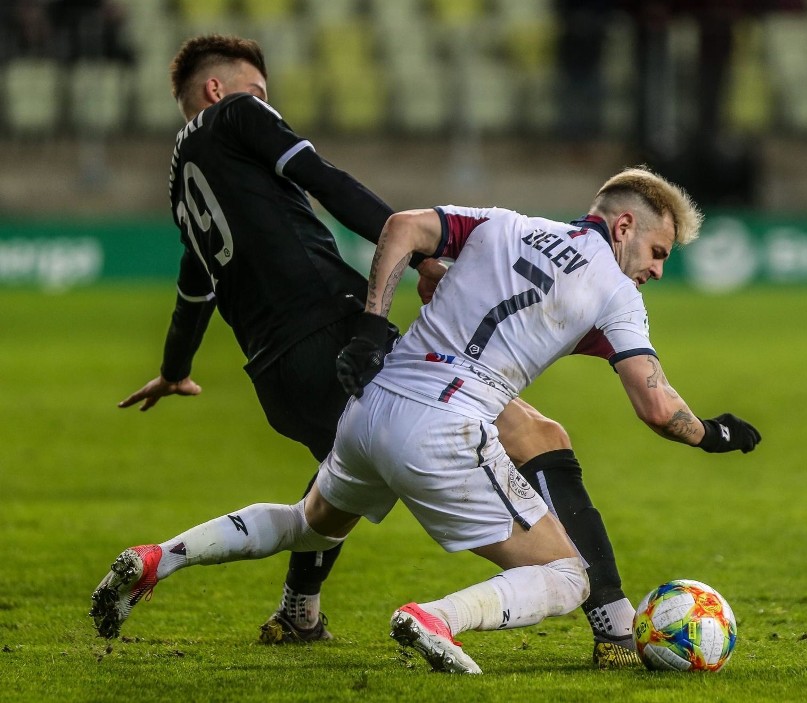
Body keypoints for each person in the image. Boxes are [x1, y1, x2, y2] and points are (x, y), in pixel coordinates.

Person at [100, 33, 650, 668]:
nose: (265, 104)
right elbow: (322, 178)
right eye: (257, 91)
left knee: (321, 509)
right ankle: (611, 621)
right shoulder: (237, 114)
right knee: (536, 432)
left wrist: (174, 369)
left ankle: (208, 579)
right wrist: (421, 252)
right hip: (331, 322)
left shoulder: (181, 183)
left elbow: (194, 285)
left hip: (275, 371)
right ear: (218, 90)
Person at [89, 165, 760, 674]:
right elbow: (656, 406)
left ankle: (158, 558)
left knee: (307, 524)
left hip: (373, 403)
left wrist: (374, 324)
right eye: (658, 252)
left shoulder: (504, 223)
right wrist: (714, 432)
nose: (658, 270)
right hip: (447, 426)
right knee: (566, 576)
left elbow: (403, 226)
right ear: (623, 228)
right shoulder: (614, 288)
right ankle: (434, 617)